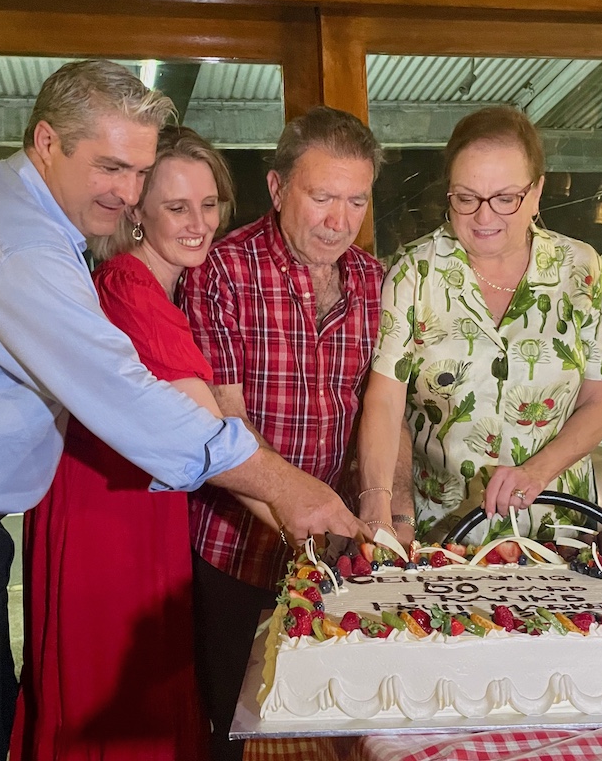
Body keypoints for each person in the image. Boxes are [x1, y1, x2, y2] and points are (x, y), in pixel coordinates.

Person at [0, 61, 365, 761]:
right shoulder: (27, 249)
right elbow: (140, 406)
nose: (125, 194)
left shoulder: (24, 212)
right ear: (46, 142)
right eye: (112, 169)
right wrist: (290, 494)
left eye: (137, 172)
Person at [183, 105, 413, 761]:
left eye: (357, 200)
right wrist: (302, 516)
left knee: (353, 720)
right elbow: (224, 423)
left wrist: (386, 509)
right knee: (229, 726)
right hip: (233, 546)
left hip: (340, 545)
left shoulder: (375, 283)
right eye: (322, 198)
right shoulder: (221, 271)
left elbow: (382, 411)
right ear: (279, 188)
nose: (341, 222)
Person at [9, 125, 237, 760]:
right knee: (117, 698)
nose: (199, 223)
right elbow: (213, 434)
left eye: (210, 203)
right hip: (106, 521)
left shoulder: (162, 286)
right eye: (177, 207)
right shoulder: (130, 287)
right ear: (137, 213)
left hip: (137, 508)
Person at [358, 105, 602, 544]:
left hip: (557, 528)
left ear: (536, 193)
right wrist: (385, 511)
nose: (484, 218)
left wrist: (535, 472)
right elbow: (387, 403)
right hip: (442, 532)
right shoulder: (413, 273)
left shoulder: (583, 270)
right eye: (466, 197)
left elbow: (601, 402)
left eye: (505, 198)